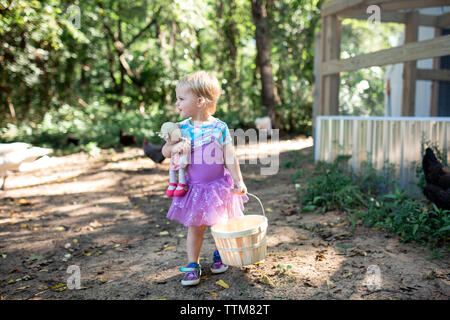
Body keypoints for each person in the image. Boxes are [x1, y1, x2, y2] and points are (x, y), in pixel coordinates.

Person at [162, 70, 248, 286]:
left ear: (199, 101)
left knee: (220, 223)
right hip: (194, 188)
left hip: (218, 186)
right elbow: (164, 152)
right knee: (195, 226)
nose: (177, 103)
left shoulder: (219, 127)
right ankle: (193, 264)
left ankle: (221, 254)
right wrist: (173, 146)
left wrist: (239, 180)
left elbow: (230, 156)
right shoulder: (181, 128)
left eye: (181, 98)